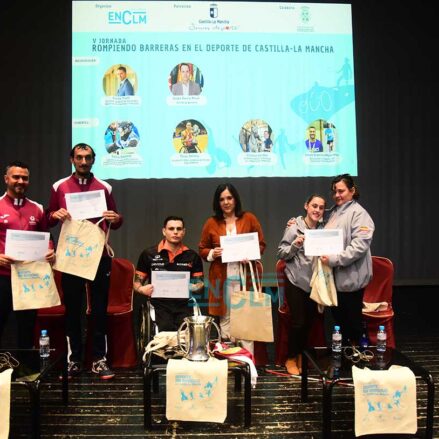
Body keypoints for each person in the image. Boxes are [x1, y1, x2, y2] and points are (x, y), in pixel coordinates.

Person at [47, 143, 123, 380]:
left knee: (99, 308)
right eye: (79, 157)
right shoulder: (59, 186)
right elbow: (48, 219)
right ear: (72, 159)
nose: (83, 161)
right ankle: (74, 360)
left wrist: (115, 218)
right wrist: (54, 214)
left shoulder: (104, 187)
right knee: (73, 309)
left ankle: (99, 359)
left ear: (93, 160)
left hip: (99, 256)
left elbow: (116, 220)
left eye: (87, 157)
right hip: (72, 257)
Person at [199, 183, 266, 355]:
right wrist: (213, 253)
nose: (226, 202)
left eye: (229, 198)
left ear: (235, 199)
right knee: (225, 320)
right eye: (222, 199)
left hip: (245, 278)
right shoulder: (211, 222)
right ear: (217, 202)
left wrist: (251, 255)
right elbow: (202, 249)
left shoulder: (249, 218)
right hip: (222, 280)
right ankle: (229, 361)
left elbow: (261, 244)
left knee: (246, 320)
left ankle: (247, 362)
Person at [0, 161, 55, 349]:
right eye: (16, 177)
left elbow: (46, 236)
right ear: (6, 179)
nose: (20, 181)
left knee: (27, 327)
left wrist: (50, 251)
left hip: (28, 278)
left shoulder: (37, 208)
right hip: (3, 276)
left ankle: (25, 365)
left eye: (25, 178)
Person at [320, 174, 374, 344]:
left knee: (352, 324)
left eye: (341, 191)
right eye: (334, 191)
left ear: (352, 190)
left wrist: (334, 259)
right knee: (340, 322)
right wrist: (297, 222)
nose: (337, 195)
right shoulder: (334, 212)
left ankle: (357, 357)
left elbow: (359, 246)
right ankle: (345, 355)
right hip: (335, 280)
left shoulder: (359, 214)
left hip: (351, 280)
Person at [277, 194, 326, 375]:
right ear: (306, 206)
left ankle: (300, 355)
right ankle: (290, 358)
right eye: (314, 206)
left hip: (316, 282)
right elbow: (281, 253)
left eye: (321, 207)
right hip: (296, 281)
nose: (317, 210)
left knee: (308, 323)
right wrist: (295, 245)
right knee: (298, 322)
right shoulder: (294, 227)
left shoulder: (324, 229)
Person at [134, 216, 204, 332]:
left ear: (183, 232)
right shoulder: (148, 254)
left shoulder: (192, 256)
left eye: (179, 229)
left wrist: (195, 287)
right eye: (171, 229)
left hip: (184, 305)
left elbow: (200, 283)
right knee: (164, 331)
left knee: (185, 334)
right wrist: (142, 289)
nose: (175, 232)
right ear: (164, 231)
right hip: (158, 305)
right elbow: (136, 283)